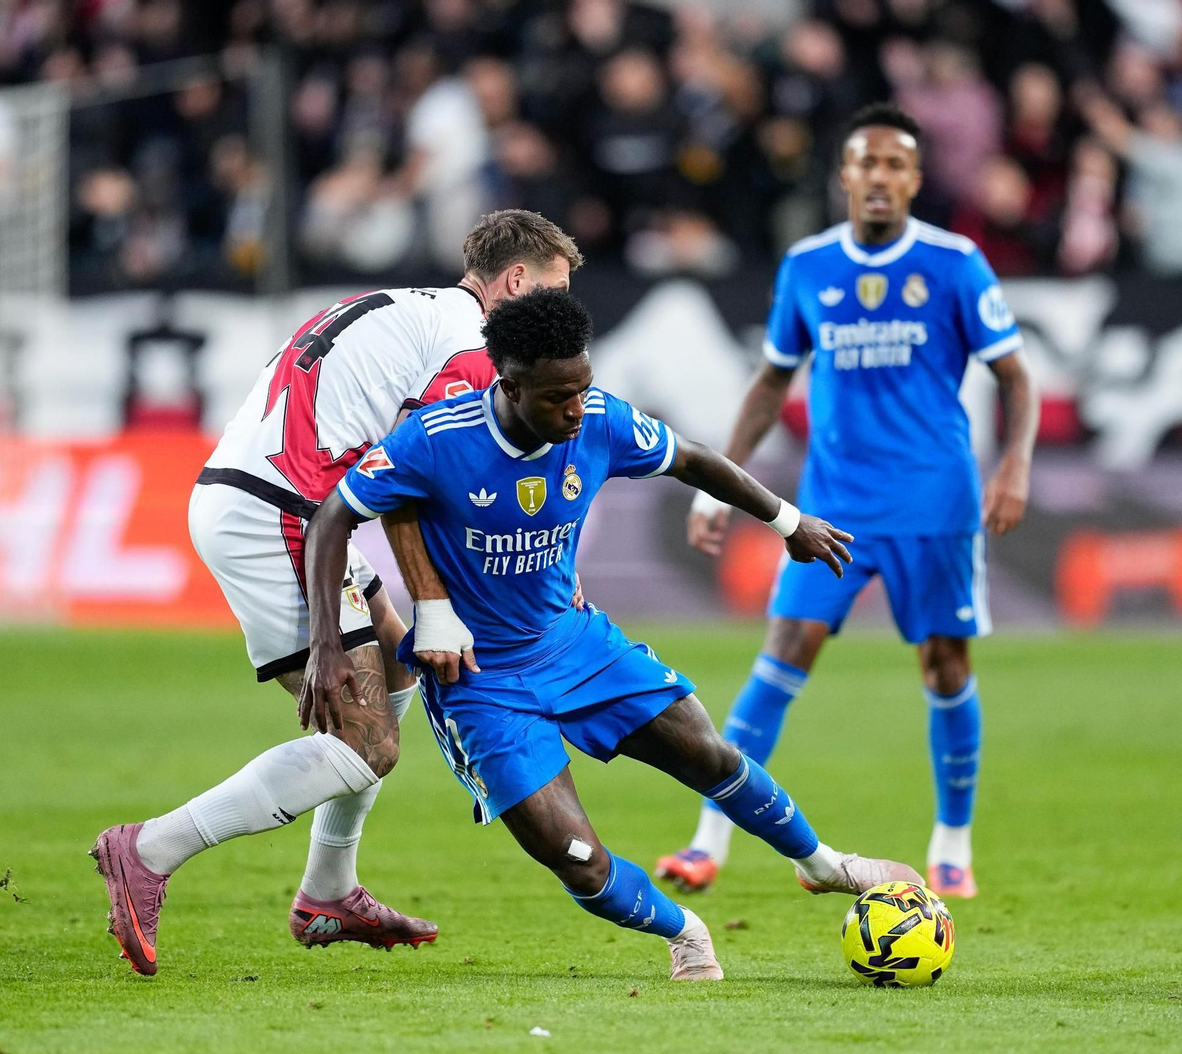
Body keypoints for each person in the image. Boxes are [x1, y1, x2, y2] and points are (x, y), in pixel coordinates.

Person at [300, 288, 920, 981]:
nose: (576, 408)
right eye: (558, 395)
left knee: (709, 754)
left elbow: (693, 460)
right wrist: (328, 641)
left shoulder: (598, 419)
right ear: (509, 383)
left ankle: (826, 864)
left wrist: (786, 521)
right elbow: (332, 518)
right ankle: (685, 931)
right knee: (578, 860)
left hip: (575, 643)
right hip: (481, 683)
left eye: (584, 388)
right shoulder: (436, 441)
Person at [89, 210, 582, 975]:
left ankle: (329, 890)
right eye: (554, 289)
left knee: (399, 664)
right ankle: (149, 848)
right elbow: (434, 483)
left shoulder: (408, 308)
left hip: (277, 500)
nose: (561, 319)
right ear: (515, 282)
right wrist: (342, 631)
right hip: (280, 515)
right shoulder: (469, 347)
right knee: (366, 741)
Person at [656, 103, 1037, 900]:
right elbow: (771, 380)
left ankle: (953, 843)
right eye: (866, 162)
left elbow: (1015, 375)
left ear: (916, 180)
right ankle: (707, 840)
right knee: (781, 652)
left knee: (944, 664)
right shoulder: (807, 265)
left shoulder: (956, 262)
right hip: (830, 508)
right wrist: (720, 480)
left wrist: (1014, 467)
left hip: (935, 504)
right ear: (845, 175)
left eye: (896, 164)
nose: (879, 177)